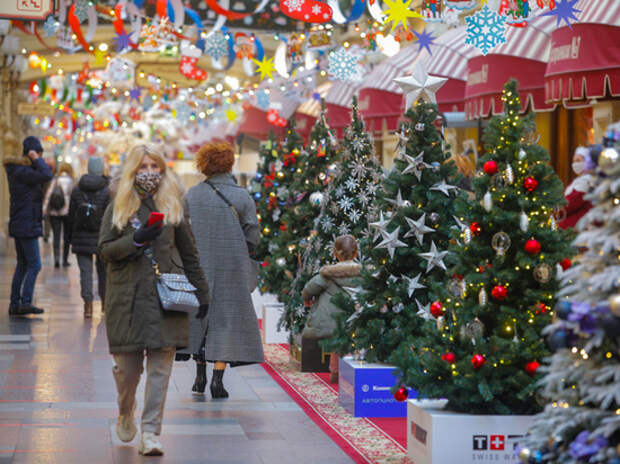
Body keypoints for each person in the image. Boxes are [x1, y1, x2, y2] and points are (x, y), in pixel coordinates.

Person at [98, 143, 210, 456]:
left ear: (162, 169)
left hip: (166, 298)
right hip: (127, 299)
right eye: (143, 167)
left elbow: (189, 253)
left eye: (155, 167)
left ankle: (150, 433)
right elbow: (104, 250)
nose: (150, 173)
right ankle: (125, 409)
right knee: (127, 372)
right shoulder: (118, 206)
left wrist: (203, 294)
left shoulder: (174, 205)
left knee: (160, 372)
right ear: (133, 171)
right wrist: (135, 239)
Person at [184, 142, 264, 398]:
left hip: (199, 264)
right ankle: (218, 379)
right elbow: (253, 233)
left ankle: (199, 376)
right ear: (229, 164)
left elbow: (182, 231)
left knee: (200, 319)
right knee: (226, 321)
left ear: (203, 164)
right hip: (232, 266)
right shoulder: (242, 196)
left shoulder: (193, 195)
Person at [301, 235, 361, 383]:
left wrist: (307, 298)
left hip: (333, 321)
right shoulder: (363, 274)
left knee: (337, 341)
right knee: (356, 341)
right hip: (357, 318)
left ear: (335, 253)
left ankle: (335, 371)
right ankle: (356, 369)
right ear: (356, 253)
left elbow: (308, 289)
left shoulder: (327, 274)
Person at [4, 136, 53, 315]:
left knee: (23, 264)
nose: (39, 157)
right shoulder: (23, 172)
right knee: (35, 264)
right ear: (31, 153)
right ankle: (25, 301)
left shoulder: (19, 171)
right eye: (38, 153)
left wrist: (35, 159)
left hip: (21, 223)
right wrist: (36, 158)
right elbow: (48, 174)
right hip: (26, 224)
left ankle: (14, 304)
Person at [69, 157, 110, 318]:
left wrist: (69, 238)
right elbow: (110, 216)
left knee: (85, 273)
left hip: (81, 236)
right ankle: (105, 305)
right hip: (102, 236)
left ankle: (88, 307)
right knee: (104, 272)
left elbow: (71, 217)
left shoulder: (77, 189)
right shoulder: (107, 189)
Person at [43, 162, 75, 268]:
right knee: (66, 237)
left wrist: (44, 209)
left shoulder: (55, 180)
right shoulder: (72, 181)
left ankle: (56, 258)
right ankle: (65, 260)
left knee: (56, 235)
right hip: (68, 212)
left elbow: (48, 195)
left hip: (54, 211)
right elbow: (75, 197)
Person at [559, 145, 599, 229]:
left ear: (587, 162)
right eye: (574, 161)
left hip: (581, 225)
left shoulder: (586, 180)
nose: (575, 164)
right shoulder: (579, 179)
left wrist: (555, 210)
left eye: (578, 160)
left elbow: (570, 203)